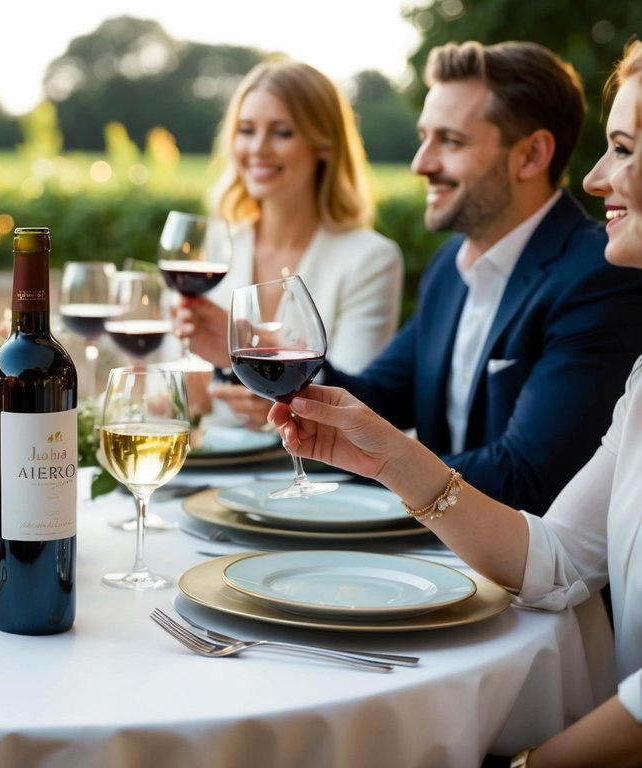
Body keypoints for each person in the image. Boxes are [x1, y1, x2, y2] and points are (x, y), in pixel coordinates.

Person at [267, 42, 642, 767]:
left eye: (622, 149)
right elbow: (559, 558)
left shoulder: (593, 280)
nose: (595, 178)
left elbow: (526, 477)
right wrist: (391, 460)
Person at [191, 40, 642, 516]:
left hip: (529, 583)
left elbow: (524, 476)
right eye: (424, 136)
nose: (420, 162)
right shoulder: (451, 265)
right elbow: (381, 399)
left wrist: (386, 468)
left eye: (450, 141)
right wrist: (266, 355)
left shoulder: (599, 276)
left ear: (531, 156)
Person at [194, 58, 405, 376]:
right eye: (247, 130)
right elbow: (176, 376)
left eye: (282, 132)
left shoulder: (371, 260)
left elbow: (352, 396)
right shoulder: (214, 250)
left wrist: (235, 371)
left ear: (324, 145)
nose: (258, 148)